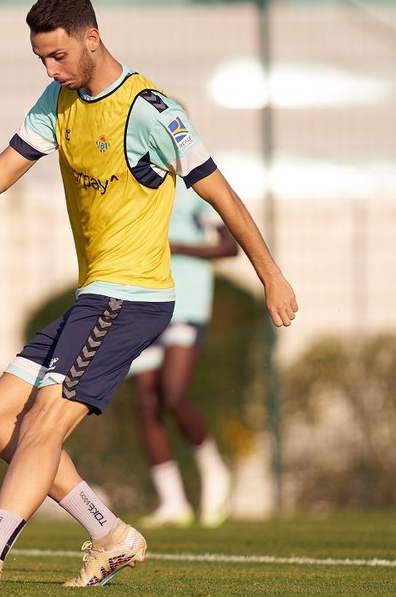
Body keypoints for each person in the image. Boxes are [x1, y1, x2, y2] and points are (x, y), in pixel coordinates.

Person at [0, 0, 296, 592]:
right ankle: (110, 534)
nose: (51, 70)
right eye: (41, 60)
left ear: (92, 36)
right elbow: (4, 169)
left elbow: (222, 195)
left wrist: (271, 274)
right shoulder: (57, 100)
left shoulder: (150, 110)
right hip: (95, 297)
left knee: (44, 424)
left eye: (57, 56)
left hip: (131, 296)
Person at [126, 180, 239, 529]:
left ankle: (214, 471)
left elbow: (229, 246)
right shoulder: (128, 183)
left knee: (173, 395)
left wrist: (174, 247)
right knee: (145, 400)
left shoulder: (193, 188)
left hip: (185, 303)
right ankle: (172, 501)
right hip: (140, 302)